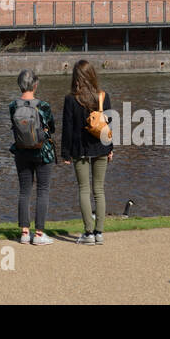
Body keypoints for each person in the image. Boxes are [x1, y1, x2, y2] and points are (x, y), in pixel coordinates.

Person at [61, 59, 114, 245]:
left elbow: (67, 128)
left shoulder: (71, 99)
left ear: (76, 77)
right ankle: (99, 232)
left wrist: (65, 153)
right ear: (92, 75)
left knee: (84, 189)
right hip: (101, 146)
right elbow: (109, 125)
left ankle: (88, 233)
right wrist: (110, 149)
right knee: (99, 189)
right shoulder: (103, 96)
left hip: (80, 149)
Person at [9, 69, 56, 245]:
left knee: (24, 191)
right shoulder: (43, 105)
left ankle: (24, 232)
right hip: (42, 152)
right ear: (35, 85)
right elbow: (51, 127)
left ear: (19, 85)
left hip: (21, 152)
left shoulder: (13, 105)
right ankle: (39, 234)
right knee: (42, 190)